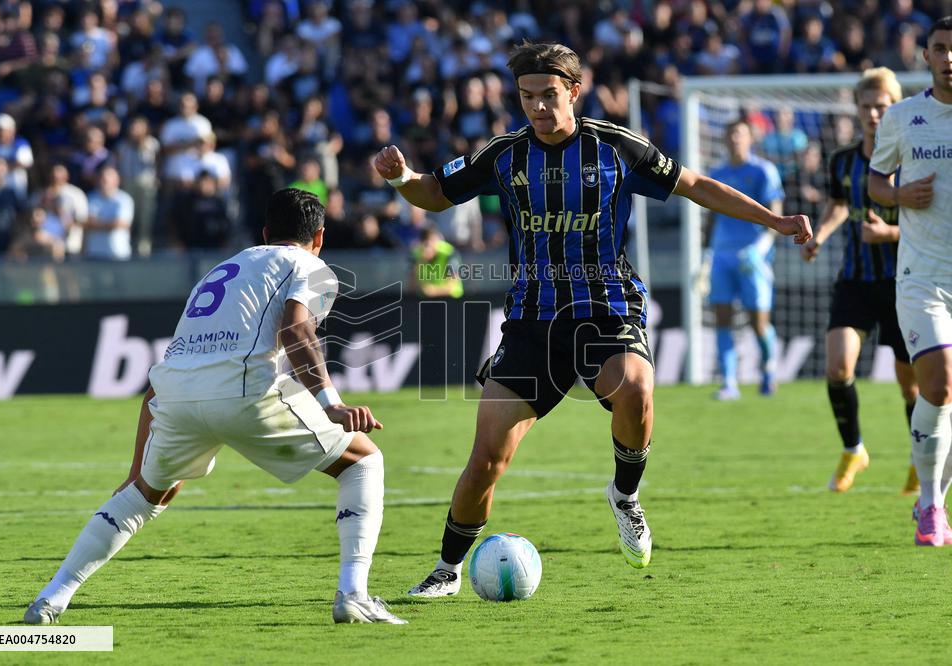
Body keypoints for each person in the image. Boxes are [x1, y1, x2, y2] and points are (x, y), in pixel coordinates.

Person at [373, 42, 811, 596]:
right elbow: (434, 194)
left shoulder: (616, 147)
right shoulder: (503, 155)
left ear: (574, 92)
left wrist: (772, 219)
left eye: (548, 95)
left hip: (607, 308)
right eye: (526, 96)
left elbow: (695, 186)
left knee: (635, 389)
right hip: (533, 321)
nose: (536, 107)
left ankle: (625, 496)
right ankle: (448, 569)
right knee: (487, 458)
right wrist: (401, 177)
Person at [23, 188, 406, 624]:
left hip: (176, 394)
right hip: (243, 389)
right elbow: (297, 331)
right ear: (318, 237)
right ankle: (354, 593)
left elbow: (169, 370)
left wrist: (136, 472)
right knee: (362, 462)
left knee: (147, 494)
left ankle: (53, 597)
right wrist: (331, 403)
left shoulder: (220, 270)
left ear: (264, 233)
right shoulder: (310, 266)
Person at [801, 67, 919, 494]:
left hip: (903, 282)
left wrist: (889, 233)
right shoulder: (843, 161)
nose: (874, 113)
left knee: (913, 387)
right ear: (857, 107)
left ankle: (919, 456)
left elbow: (935, 225)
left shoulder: (913, 158)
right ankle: (854, 449)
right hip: (854, 280)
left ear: (895, 108)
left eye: (882, 106)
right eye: (867, 105)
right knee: (837, 366)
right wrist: (821, 236)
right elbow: (836, 206)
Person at [868, 16, 952, 547]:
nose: (950, 58)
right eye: (941, 49)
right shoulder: (903, 117)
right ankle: (928, 504)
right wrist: (898, 197)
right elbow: (877, 181)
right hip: (923, 278)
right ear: (925, 55)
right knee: (939, 384)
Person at [705, 119, 785, 400]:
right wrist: (705, 255)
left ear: (750, 138)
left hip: (753, 256)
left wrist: (761, 248)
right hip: (722, 255)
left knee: (758, 323)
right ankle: (728, 382)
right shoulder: (718, 173)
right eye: (729, 135)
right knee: (722, 318)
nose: (734, 139)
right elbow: (712, 217)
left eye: (739, 134)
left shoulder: (763, 171)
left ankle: (769, 369)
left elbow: (776, 213)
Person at [410, 227, 463, 299]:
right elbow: (411, 285)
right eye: (425, 244)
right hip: (426, 300)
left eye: (430, 243)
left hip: (451, 300)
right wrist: (421, 261)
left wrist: (433, 291)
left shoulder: (449, 253)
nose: (427, 248)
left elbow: (452, 286)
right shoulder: (417, 255)